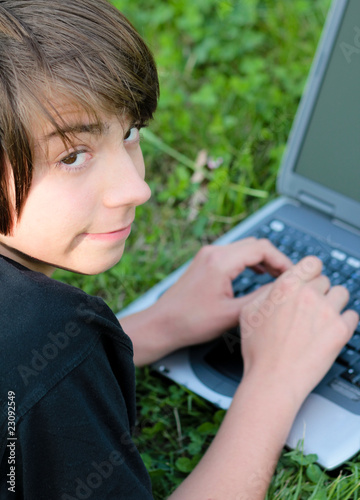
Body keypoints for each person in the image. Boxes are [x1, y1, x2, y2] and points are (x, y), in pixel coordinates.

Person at [0, 1, 357, 499]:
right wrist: (273, 384)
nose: (135, 188)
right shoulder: (48, 329)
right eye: (72, 156)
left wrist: (158, 324)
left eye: (128, 134)